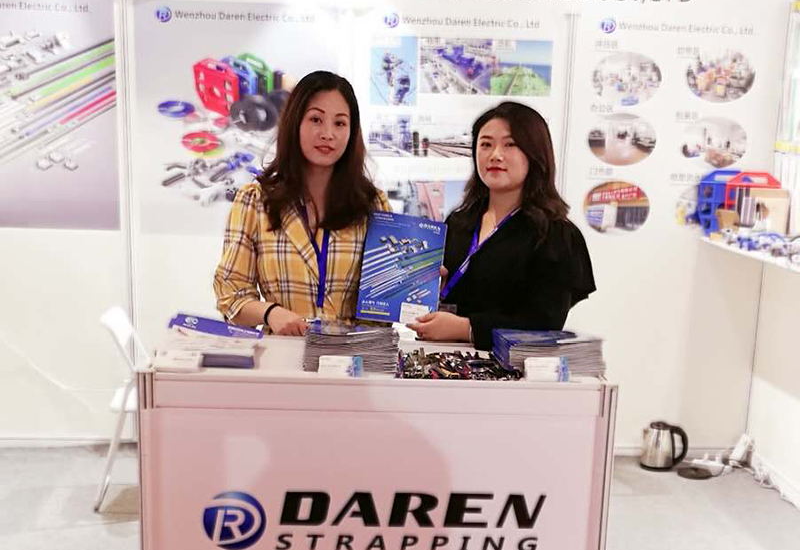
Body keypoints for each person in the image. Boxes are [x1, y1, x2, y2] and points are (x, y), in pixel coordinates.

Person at [408, 102, 595, 350]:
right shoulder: (458, 221)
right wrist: (432, 288)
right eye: (486, 144)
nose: (495, 155)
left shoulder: (556, 234)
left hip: (511, 370)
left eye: (510, 144)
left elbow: (545, 324)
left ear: (535, 153)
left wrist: (467, 328)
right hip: (443, 361)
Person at [214, 70, 389, 335]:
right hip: (282, 354)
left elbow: (383, 310)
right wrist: (271, 313)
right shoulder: (255, 200)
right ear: (295, 122)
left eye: (340, 123)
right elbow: (231, 295)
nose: (328, 134)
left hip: (352, 355)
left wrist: (416, 282)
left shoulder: (372, 205)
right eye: (316, 119)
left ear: (352, 131)